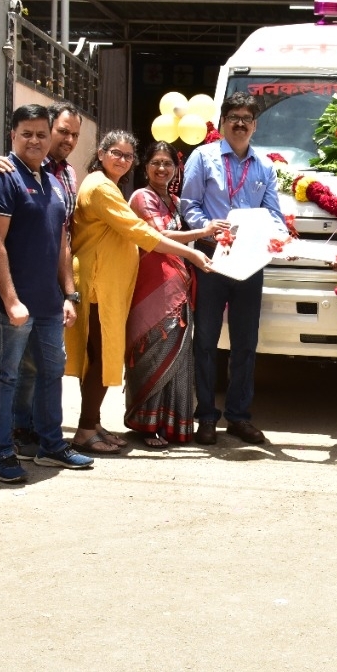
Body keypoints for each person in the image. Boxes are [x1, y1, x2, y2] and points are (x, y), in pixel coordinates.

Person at [67, 133, 212, 453]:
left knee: (101, 359)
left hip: (108, 285)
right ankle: (85, 431)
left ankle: (92, 423)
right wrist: (191, 250)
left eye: (128, 156)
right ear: (101, 154)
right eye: (116, 153)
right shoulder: (103, 188)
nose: (122, 160)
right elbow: (142, 233)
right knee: (102, 359)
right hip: (96, 284)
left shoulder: (108, 186)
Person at [0, 104, 92, 482]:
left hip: (48, 303)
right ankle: (0, 452)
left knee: (52, 372)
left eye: (42, 134)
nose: (35, 140)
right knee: (4, 375)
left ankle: (51, 446)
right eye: (26, 133)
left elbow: (61, 244)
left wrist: (68, 295)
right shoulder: (2, 177)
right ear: (13, 135)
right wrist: (11, 300)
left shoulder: (55, 182)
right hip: (12, 303)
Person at [180, 92, 288, 446]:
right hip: (212, 259)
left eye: (247, 118)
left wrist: (279, 236)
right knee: (207, 341)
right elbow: (189, 203)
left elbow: (273, 212)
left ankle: (239, 417)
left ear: (255, 125)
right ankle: (207, 417)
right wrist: (210, 226)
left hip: (250, 261)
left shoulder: (264, 166)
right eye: (234, 117)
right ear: (223, 122)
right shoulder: (204, 157)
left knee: (245, 343)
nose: (240, 123)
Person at [125, 141, 222, 448]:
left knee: (179, 358)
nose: (162, 168)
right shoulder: (142, 197)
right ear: (145, 167)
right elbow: (158, 236)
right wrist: (201, 234)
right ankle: (146, 424)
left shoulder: (177, 202)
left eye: (168, 163)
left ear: (176, 169)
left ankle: (173, 424)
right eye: (156, 163)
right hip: (151, 287)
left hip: (179, 285)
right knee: (154, 350)